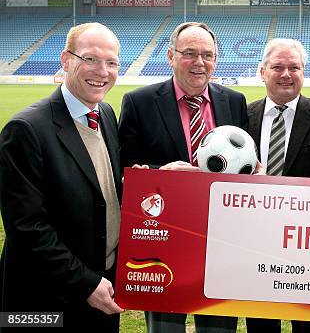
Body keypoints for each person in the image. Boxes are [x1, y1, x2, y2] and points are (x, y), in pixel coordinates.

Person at [118, 21, 247, 333]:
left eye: (207, 54)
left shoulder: (235, 101)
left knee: (219, 325)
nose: (199, 63)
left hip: (219, 239)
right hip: (164, 238)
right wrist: (164, 177)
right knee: (165, 328)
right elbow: (126, 170)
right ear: (170, 56)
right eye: (189, 53)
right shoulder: (139, 102)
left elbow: (244, 164)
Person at [0, 22, 124, 331]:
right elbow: (27, 229)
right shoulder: (25, 130)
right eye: (90, 59)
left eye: (111, 62)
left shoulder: (105, 113)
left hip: (103, 287)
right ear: (66, 60)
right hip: (46, 300)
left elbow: (103, 188)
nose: (102, 71)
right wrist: (85, 282)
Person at [246, 38, 310, 333]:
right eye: (277, 67)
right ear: (262, 71)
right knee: (261, 322)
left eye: (294, 67)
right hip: (254, 241)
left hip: (307, 242)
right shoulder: (243, 116)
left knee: (308, 324)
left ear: (303, 72)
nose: (286, 74)